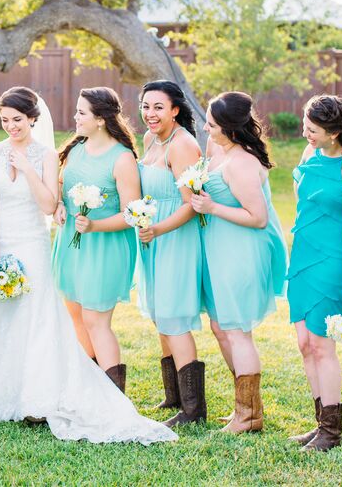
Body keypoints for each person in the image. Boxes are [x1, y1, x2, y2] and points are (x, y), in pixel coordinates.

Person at [0, 87, 177, 445]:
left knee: (39, 318)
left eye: (17, 120)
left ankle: (39, 396)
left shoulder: (49, 155)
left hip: (34, 244)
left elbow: (51, 204)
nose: (10, 127)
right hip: (2, 240)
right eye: (4, 120)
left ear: (33, 119)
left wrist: (28, 170)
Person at [191, 91, 287, 434]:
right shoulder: (219, 150)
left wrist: (212, 207)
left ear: (231, 128)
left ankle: (248, 416)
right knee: (220, 327)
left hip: (241, 251)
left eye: (212, 124)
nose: (206, 128)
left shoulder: (242, 161)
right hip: (218, 248)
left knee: (237, 331)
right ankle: (245, 408)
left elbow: (258, 217)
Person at [287, 95, 342, 452]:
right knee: (305, 343)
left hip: (334, 260)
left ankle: (331, 433)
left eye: (313, 129)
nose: (305, 132)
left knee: (323, 345)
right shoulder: (310, 153)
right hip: (303, 255)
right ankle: (320, 422)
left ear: (335, 133)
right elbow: (301, 201)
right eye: (305, 125)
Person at [51, 87, 141, 392]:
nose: (75, 117)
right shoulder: (75, 150)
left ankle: (114, 399)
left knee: (95, 320)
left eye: (81, 112)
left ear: (101, 119)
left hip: (105, 246)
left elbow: (132, 213)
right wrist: (60, 206)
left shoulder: (122, 158)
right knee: (75, 315)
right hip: (71, 244)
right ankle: (89, 392)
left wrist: (95, 225)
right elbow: (61, 191)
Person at [136, 81, 206, 426]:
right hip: (152, 236)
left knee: (174, 317)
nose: (150, 114)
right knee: (159, 314)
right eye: (146, 106)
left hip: (175, 237)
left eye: (158, 107)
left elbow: (192, 205)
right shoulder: (151, 140)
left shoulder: (183, 145)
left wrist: (159, 229)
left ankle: (193, 411)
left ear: (175, 110)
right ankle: (174, 396)